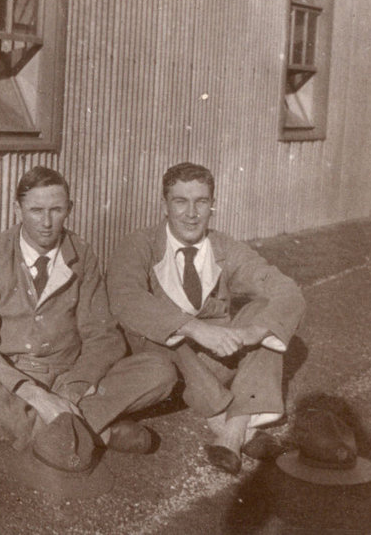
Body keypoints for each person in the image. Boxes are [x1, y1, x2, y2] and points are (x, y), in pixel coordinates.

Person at [0, 166, 177, 474]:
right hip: (10, 378)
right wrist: (32, 392)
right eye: (36, 210)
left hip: (68, 374)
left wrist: (75, 387)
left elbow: (102, 336)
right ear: (17, 208)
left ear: (70, 209)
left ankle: (15, 425)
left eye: (56, 210)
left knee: (161, 371)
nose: (47, 222)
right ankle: (97, 433)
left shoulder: (83, 254)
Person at [106, 162, 306, 475]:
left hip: (217, 361)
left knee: (264, 309)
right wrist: (196, 329)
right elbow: (125, 300)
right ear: (165, 205)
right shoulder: (138, 244)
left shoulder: (225, 247)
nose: (191, 213)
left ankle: (233, 430)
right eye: (180, 201)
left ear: (212, 205)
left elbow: (286, 290)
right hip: (166, 364)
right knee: (153, 328)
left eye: (201, 202)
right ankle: (228, 420)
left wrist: (256, 330)